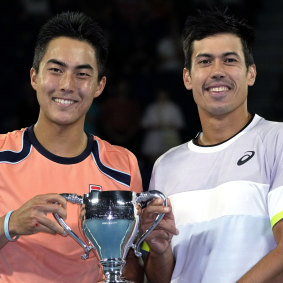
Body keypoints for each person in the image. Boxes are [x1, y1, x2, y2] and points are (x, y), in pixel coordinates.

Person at [141, 9, 283, 283]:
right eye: (205, 61)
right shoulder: (165, 165)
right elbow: (162, 278)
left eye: (229, 60)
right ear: (187, 77)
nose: (217, 72)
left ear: (251, 73)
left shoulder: (276, 140)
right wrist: (159, 251)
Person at [0, 11, 143, 283]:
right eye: (56, 70)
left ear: (99, 85)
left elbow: (131, 262)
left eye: (82, 74)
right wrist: (10, 224)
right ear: (34, 77)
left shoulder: (122, 166)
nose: (67, 85)